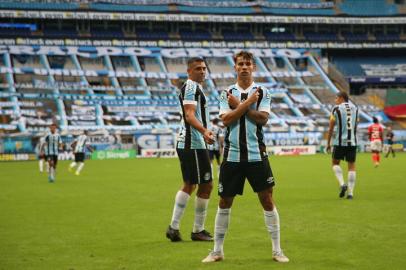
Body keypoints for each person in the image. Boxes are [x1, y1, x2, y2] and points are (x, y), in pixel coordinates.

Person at [202, 51, 289, 263]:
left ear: (253, 67)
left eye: (247, 64)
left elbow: (263, 119)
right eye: (240, 63)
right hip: (231, 156)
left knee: (267, 200)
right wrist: (247, 103)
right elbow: (227, 121)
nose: (244, 67)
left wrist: (243, 104)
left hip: (257, 155)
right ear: (235, 67)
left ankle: (277, 250)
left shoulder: (263, 92)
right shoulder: (226, 93)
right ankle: (217, 251)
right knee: (224, 201)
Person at [166, 57, 215, 242]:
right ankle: (197, 230)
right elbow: (189, 115)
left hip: (192, 143)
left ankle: (175, 228)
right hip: (192, 143)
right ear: (189, 71)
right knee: (205, 184)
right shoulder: (191, 87)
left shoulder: (196, 87)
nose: (202, 71)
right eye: (197, 69)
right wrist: (204, 131)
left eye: (204, 68)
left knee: (191, 184)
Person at [326, 91, 358, 199]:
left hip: (339, 142)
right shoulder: (355, 108)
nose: (335, 100)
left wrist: (328, 143)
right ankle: (350, 193)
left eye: (336, 98)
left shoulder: (336, 109)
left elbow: (331, 128)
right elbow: (355, 124)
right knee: (351, 166)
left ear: (341, 98)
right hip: (352, 142)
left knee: (335, 163)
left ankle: (342, 184)